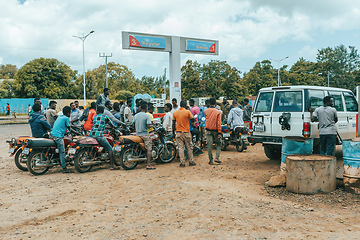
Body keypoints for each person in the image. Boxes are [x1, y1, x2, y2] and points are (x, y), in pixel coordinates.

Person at [90, 105, 119, 170]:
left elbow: (99, 125)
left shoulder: (95, 117)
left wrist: (108, 127)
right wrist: (114, 127)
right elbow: (111, 124)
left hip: (91, 134)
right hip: (99, 135)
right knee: (110, 149)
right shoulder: (105, 116)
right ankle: (112, 166)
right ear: (103, 111)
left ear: (97, 111)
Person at [172, 100, 196, 167]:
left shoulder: (175, 112)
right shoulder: (187, 112)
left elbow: (173, 123)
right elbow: (193, 120)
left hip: (178, 132)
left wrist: (174, 132)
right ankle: (191, 161)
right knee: (189, 148)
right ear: (186, 105)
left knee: (180, 148)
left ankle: (182, 162)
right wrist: (189, 110)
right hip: (186, 132)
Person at [133, 101, 156, 170]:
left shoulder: (136, 115)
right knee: (149, 148)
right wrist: (153, 125)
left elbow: (133, 124)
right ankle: (148, 165)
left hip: (137, 134)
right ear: (146, 108)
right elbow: (149, 126)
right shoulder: (147, 115)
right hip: (144, 134)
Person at [50, 106, 72, 173]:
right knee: (62, 151)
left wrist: (76, 127)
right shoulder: (67, 118)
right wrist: (77, 132)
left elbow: (67, 125)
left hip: (52, 135)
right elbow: (70, 128)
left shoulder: (60, 116)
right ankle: (64, 167)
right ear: (68, 113)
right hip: (58, 137)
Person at [205, 97, 222, 165]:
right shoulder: (218, 112)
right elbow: (219, 123)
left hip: (208, 130)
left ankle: (211, 160)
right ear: (215, 103)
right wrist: (219, 132)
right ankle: (217, 157)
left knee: (209, 145)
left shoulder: (206, 111)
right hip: (215, 130)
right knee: (219, 143)